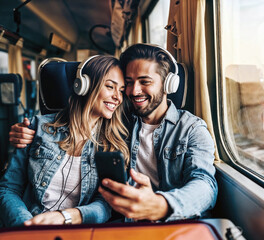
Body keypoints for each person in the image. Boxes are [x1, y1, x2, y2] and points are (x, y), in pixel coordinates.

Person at [9, 43, 218, 222]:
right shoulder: (119, 123)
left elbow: (205, 185)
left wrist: (161, 205)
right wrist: (24, 131)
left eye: (145, 82)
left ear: (169, 84)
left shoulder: (191, 129)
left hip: (175, 221)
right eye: (128, 83)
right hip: (124, 224)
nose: (133, 91)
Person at [1, 55, 129, 227]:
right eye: (110, 87)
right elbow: (9, 188)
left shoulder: (113, 146)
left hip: (77, 230)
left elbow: (106, 205)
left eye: (121, 90)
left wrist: (67, 217)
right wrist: (27, 226)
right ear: (84, 86)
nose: (117, 97)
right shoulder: (36, 127)